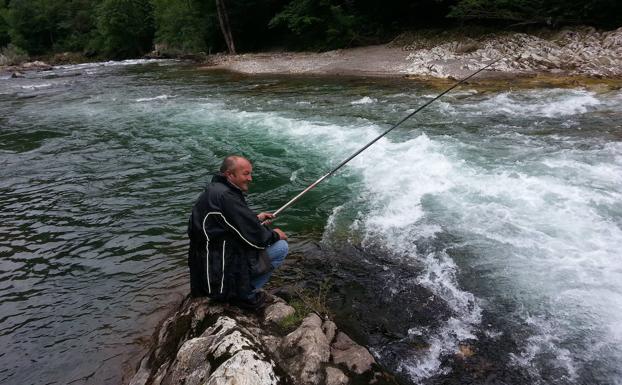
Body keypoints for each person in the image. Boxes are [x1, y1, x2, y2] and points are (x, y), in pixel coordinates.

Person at [187, 155, 288, 309]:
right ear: (229, 174)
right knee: (281, 247)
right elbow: (256, 239)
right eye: (246, 174)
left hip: (205, 268)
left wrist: (256, 218)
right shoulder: (227, 196)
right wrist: (275, 234)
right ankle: (245, 294)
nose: (250, 178)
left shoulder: (215, 190)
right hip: (218, 273)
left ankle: (240, 290)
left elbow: (227, 223)